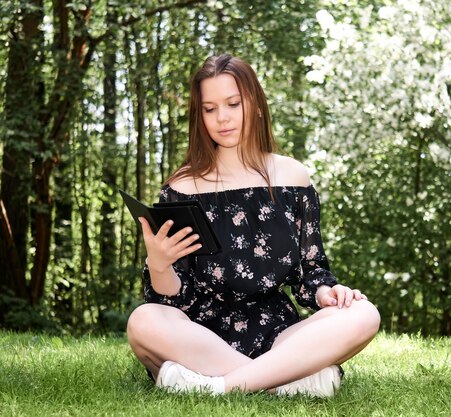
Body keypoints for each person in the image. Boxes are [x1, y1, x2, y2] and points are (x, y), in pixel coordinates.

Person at [126, 54, 380, 397]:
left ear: (256, 105)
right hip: (201, 339)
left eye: (233, 103)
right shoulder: (181, 187)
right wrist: (158, 263)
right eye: (209, 108)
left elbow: (312, 272)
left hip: (279, 335)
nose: (222, 118)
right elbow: (172, 300)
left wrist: (328, 294)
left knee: (363, 314)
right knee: (143, 321)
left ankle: (218, 386)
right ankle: (287, 381)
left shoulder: (293, 178)